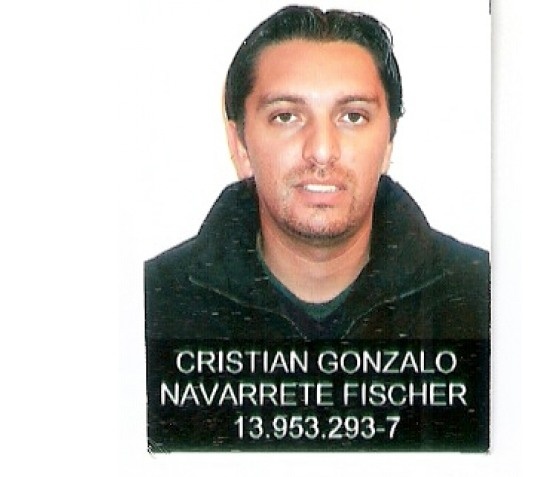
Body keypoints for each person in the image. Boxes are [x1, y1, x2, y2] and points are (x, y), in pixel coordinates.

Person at [145, 5, 489, 342]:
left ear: (388, 143)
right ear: (240, 145)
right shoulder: (151, 306)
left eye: (353, 117)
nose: (322, 151)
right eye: (286, 117)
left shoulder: (486, 298)